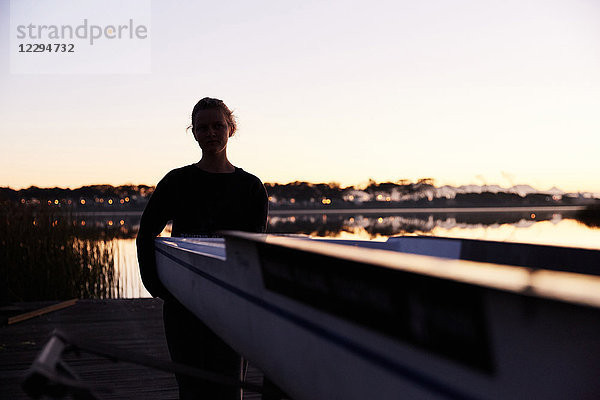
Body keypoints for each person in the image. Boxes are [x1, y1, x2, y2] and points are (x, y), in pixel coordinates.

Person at [136, 97, 269, 399]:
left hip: (232, 303)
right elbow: (146, 235)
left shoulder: (250, 187)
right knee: (191, 388)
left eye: (218, 126)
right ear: (193, 133)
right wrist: (159, 287)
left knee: (229, 387)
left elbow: (253, 251)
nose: (211, 133)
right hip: (184, 303)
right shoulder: (176, 182)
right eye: (203, 127)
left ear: (230, 129)